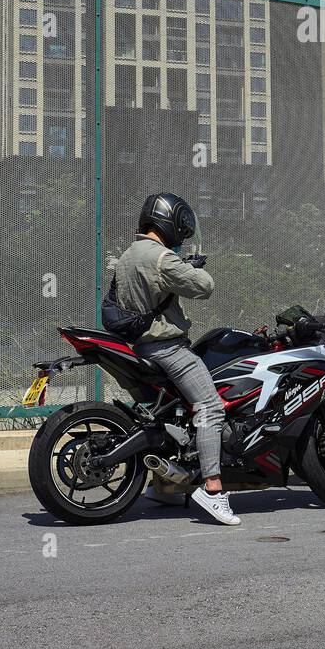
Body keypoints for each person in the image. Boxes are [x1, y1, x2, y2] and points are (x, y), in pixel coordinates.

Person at [113, 192, 240, 527]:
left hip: (136, 348)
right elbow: (205, 286)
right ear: (168, 222)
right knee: (210, 407)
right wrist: (188, 267)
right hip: (167, 349)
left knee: (170, 416)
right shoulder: (161, 258)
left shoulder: (127, 255)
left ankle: (166, 485)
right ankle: (213, 490)